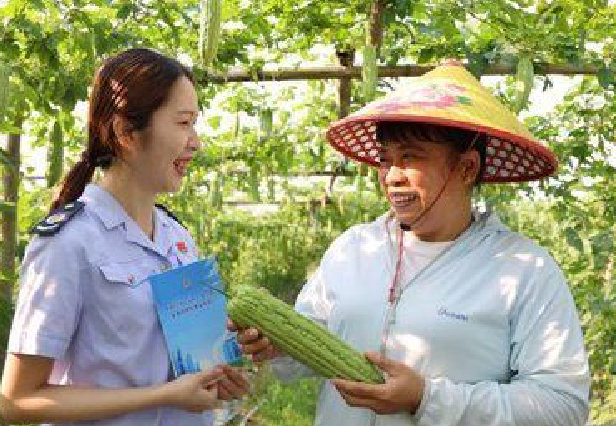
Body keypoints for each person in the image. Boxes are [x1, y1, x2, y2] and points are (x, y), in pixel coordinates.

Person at [231, 64, 590, 425]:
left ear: (466, 168)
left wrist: (427, 398)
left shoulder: (523, 268)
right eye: (385, 160)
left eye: (410, 157)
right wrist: (279, 347)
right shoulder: (353, 249)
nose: (391, 177)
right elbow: (307, 349)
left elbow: (562, 406)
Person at [0, 48, 249, 425]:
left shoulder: (178, 238)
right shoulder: (68, 243)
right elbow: (18, 401)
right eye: (183, 123)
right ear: (126, 132)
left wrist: (224, 363)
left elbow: (193, 362)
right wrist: (164, 396)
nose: (196, 142)